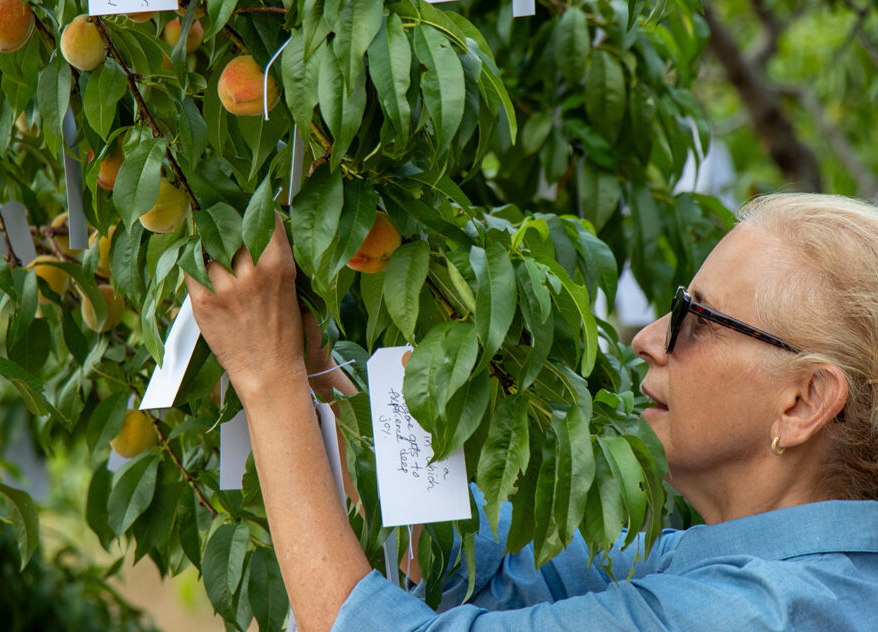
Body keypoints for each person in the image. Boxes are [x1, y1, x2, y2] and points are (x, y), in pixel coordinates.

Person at [186, 193, 878, 631]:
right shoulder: (723, 564)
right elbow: (452, 550)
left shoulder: (762, 613)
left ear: (804, 401)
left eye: (693, 318)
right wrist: (311, 373)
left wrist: (268, 380)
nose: (647, 341)